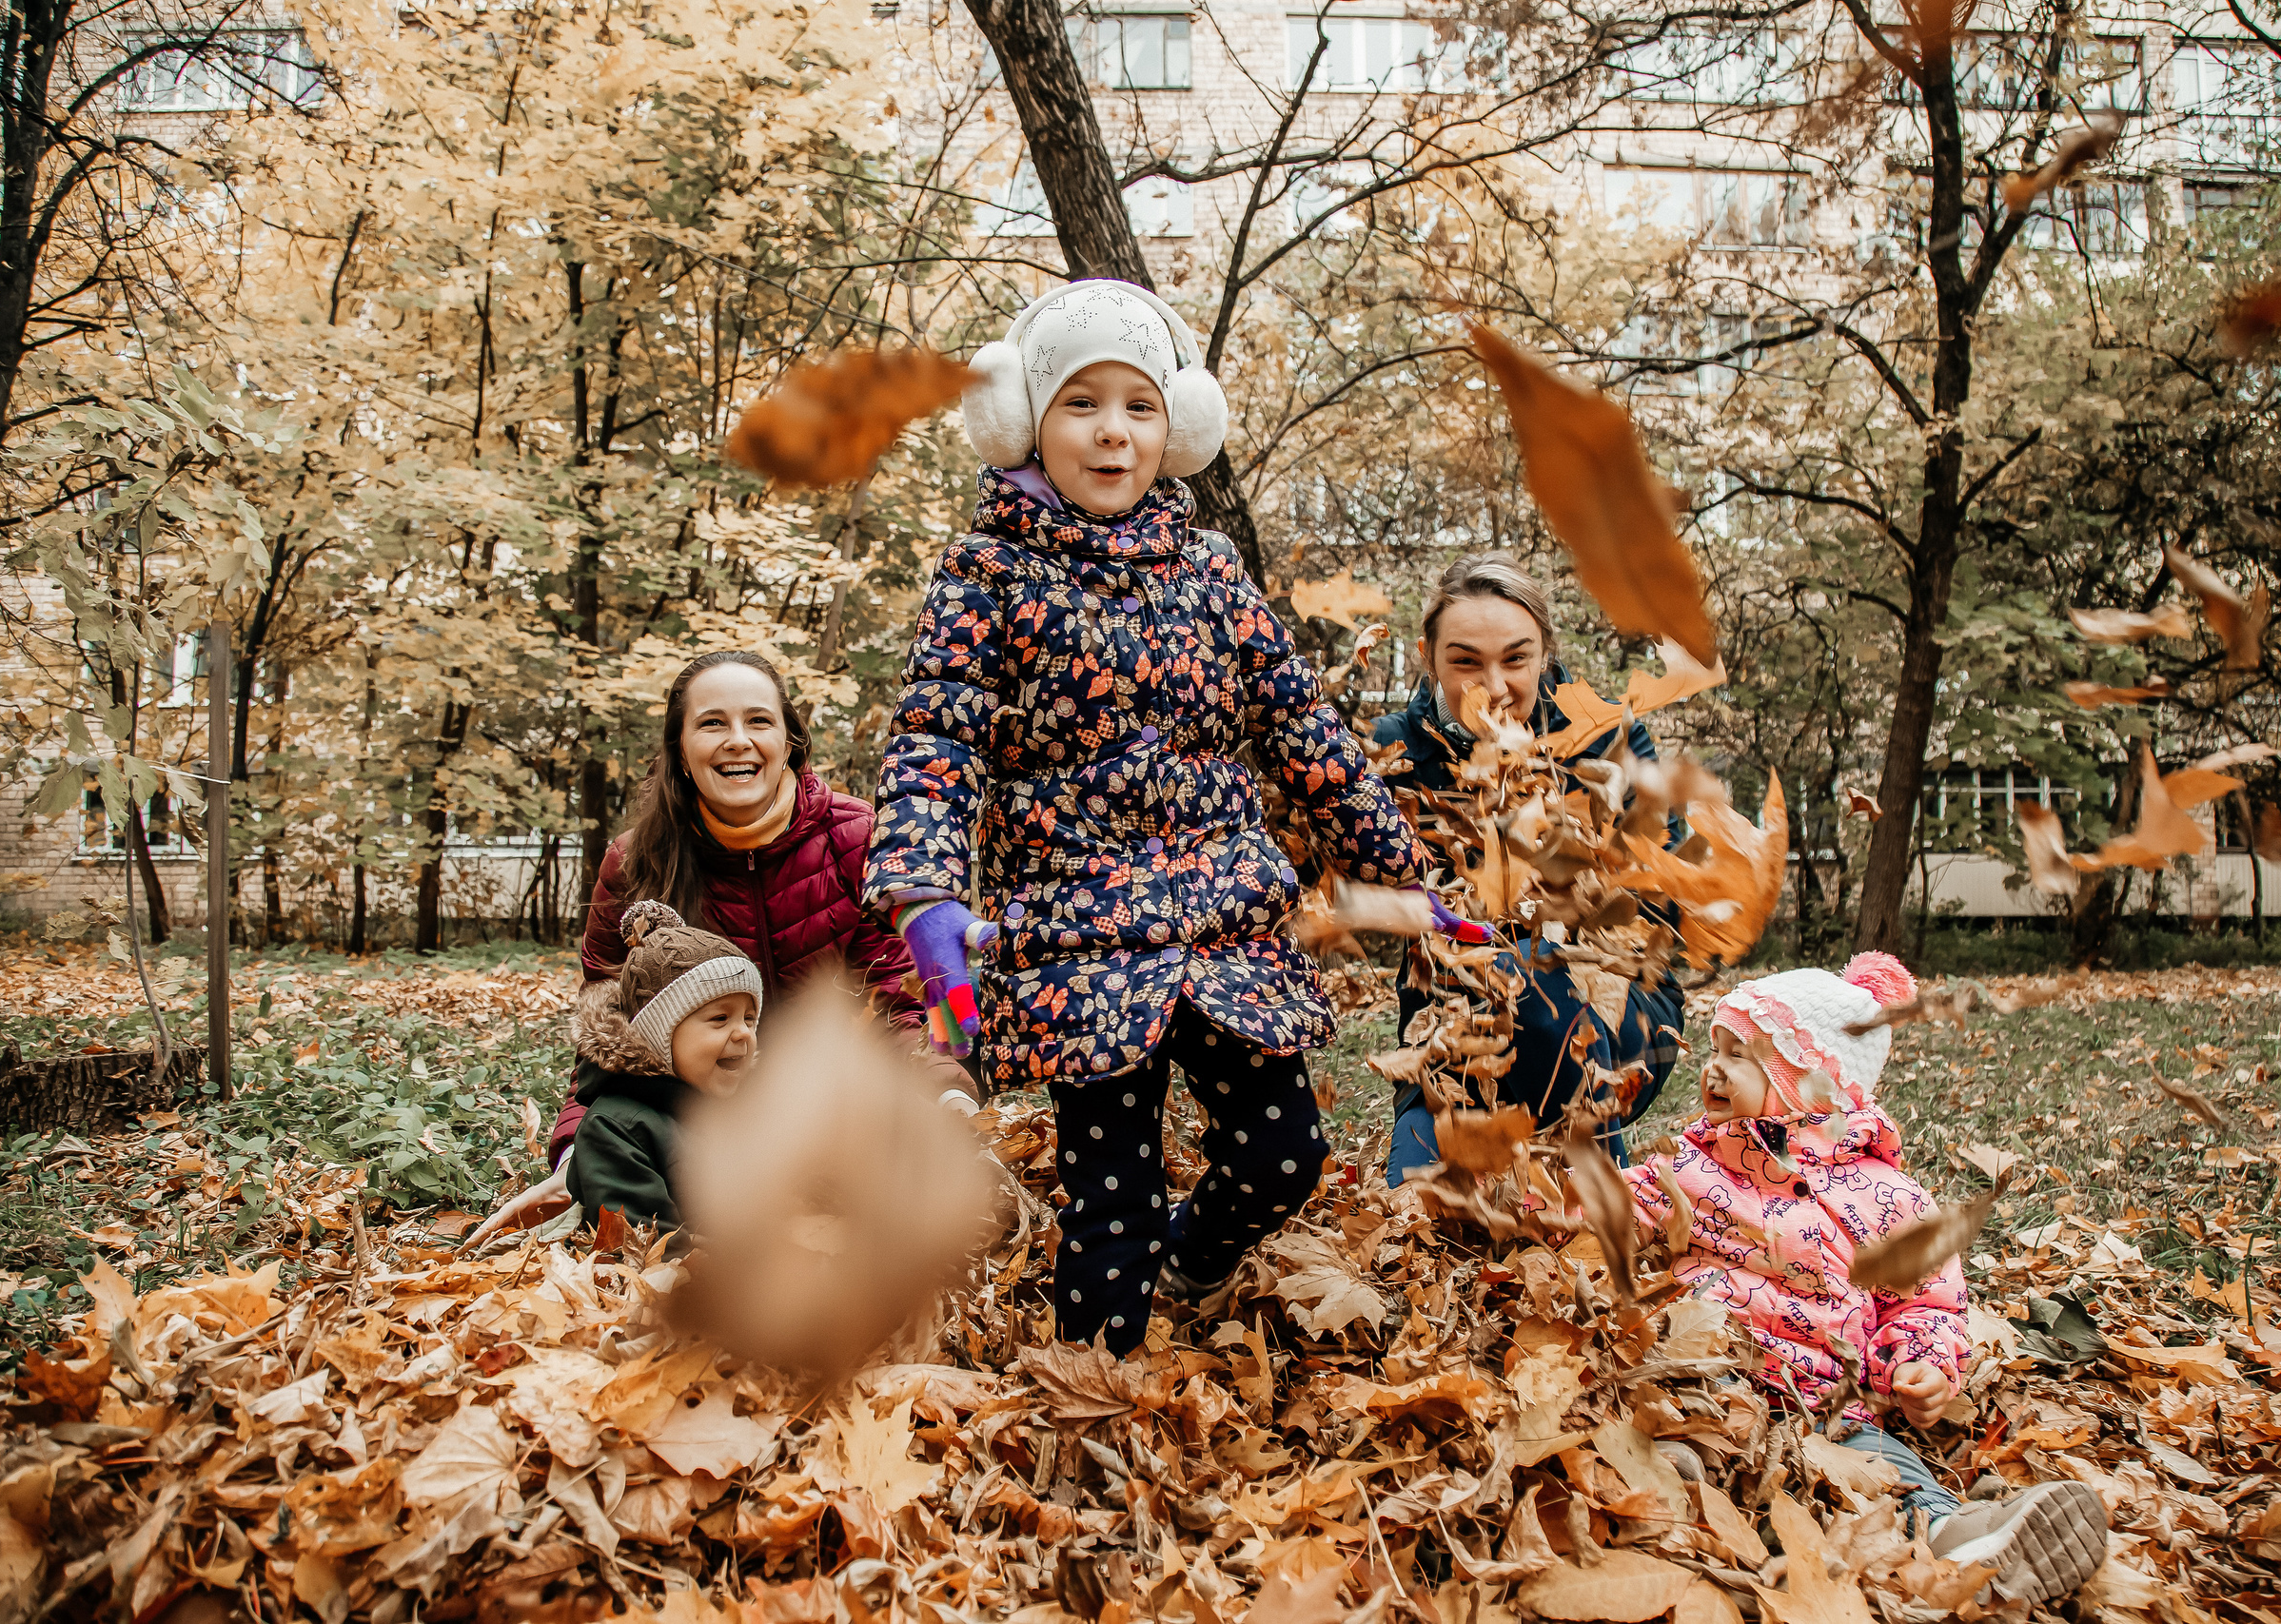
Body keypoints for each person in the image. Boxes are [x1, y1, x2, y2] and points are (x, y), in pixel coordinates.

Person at [864, 278, 1485, 1355]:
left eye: (1138, 406)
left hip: (1224, 915)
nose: (1112, 433)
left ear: (1176, 426)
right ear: (1025, 420)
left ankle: (1193, 1263)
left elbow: (1300, 725)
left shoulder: (1210, 571)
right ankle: (1093, 1398)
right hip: (1081, 930)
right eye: (1080, 403)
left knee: (1283, 1155)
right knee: (1111, 1197)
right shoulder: (986, 573)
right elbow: (937, 739)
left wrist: (1404, 868)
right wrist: (926, 897)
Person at [1623, 952, 2109, 1605]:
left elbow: (1925, 1302)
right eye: (1717, 1047)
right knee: (1679, 1414)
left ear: (1812, 1085)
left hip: (1827, 1399)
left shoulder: (1888, 1199)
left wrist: (1924, 1364)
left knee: (1883, 1471)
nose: (1713, 1066)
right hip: (1707, 1365)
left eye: (1741, 1055)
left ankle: (1960, 1532)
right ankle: (1671, 1483)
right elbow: (1621, 1204)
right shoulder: (1693, 1164)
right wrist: (1533, 1200)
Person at [465, 650, 967, 1248]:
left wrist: (946, 1091)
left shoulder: (858, 838)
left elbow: (904, 1000)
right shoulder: (635, 863)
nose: (737, 741)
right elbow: (612, 1035)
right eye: (711, 723)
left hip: (833, 1105)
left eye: (758, 721)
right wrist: (576, 1152)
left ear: (789, 740)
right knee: (614, 1136)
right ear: (680, 748)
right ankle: (683, 1254)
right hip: (702, 1120)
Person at [1374, 553, 1685, 1181]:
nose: (1494, 686)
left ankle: (1591, 1179)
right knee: (1413, 1207)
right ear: (1427, 655)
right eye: (1465, 661)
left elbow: (1660, 905)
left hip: (1609, 1016)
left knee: (1523, 975)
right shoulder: (1391, 753)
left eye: (1516, 658)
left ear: (1545, 654)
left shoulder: (1608, 739)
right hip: (1454, 1032)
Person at [563, 901, 766, 1229]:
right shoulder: (616, 1127)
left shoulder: (741, 1112)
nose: (743, 1033)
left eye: (749, 1018)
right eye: (720, 1018)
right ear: (659, 1034)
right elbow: (639, 1238)